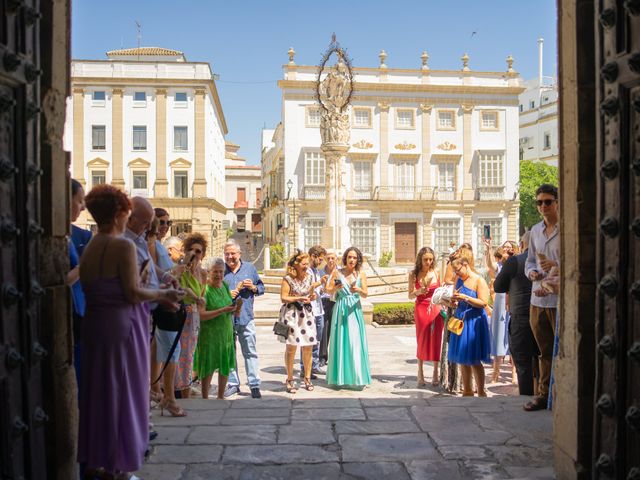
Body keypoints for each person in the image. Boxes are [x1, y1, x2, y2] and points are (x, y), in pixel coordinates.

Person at [78, 185, 183, 479]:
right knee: (124, 392)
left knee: (100, 392)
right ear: (121, 213)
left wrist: (158, 288)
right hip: (123, 327)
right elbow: (133, 292)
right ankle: (117, 467)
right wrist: (165, 296)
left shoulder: (90, 248)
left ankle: (98, 461)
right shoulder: (121, 246)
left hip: (96, 325)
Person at [524, 184, 560, 411]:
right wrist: (532, 273)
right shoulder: (536, 231)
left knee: (562, 350)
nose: (543, 206)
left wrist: (556, 264)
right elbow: (529, 261)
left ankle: (562, 396)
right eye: (539, 202)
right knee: (544, 350)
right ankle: (544, 394)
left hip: (558, 299)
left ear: (557, 202)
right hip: (537, 299)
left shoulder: (566, 228)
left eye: (548, 201)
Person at [494, 231, 538, 396]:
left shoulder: (515, 262)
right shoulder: (546, 260)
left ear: (521, 245)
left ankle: (526, 397)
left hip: (521, 316)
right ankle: (543, 397)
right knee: (544, 360)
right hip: (544, 315)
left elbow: (498, 287)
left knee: (523, 362)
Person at [324, 247, 372, 388]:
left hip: (355, 309)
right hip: (341, 308)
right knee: (341, 341)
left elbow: (365, 294)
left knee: (354, 342)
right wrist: (335, 289)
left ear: (358, 260)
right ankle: (340, 377)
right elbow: (328, 290)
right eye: (350, 257)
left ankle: (356, 377)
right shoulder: (337, 273)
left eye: (355, 258)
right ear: (345, 258)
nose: (352, 260)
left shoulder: (361, 274)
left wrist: (358, 290)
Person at [223, 240, 265, 399]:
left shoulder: (249, 268)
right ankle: (233, 383)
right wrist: (227, 295)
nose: (230, 257)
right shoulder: (221, 271)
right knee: (229, 353)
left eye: (233, 253)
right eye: (227, 253)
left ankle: (254, 384)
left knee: (250, 352)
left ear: (239, 254)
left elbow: (261, 288)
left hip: (246, 318)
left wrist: (253, 288)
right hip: (226, 318)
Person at [448, 256, 492, 397]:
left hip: (474, 321)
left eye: (458, 270)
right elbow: (455, 298)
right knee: (462, 358)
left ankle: (480, 391)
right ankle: (467, 391)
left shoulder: (479, 280)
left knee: (474, 359)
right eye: (454, 271)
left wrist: (465, 298)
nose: (456, 273)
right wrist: (453, 301)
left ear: (465, 264)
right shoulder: (458, 279)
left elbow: (484, 302)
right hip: (460, 319)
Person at [195, 258, 238, 399]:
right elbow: (201, 315)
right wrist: (222, 310)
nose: (219, 275)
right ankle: (205, 397)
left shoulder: (224, 285)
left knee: (224, 364)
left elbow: (230, 309)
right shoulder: (205, 290)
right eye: (215, 272)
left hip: (225, 333)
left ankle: (221, 396)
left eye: (221, 271)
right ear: (208, 272)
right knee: (208, 365)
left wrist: (236, 308)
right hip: (209, 335)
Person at [279, 251, 318, 393]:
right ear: (296, 265)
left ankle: (307, 378)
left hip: (306, 315)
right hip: (292, 315)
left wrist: (311, 297)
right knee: (291, 348)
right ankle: (289, 379)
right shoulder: (288, 279)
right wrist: (298, 299)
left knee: (308, 347)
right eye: (304, 264)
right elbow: (283, 298)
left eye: (307, 264)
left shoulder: (309, 277)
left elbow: (311, 294)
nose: (306, 267)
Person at [174, 232, 207, 399]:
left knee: (189, 353)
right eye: (192, 250)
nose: (195, 254)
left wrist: (199, 300)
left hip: (193, 315)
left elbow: (202, 296)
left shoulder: (203, 273)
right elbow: (180, 288)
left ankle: (185, 386)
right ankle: (177, 388)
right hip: (181, 312)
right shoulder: (182, 268)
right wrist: (196, 298)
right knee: (179, 352)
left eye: (199, 251)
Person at [409, 247, 444, 387]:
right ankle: (420, 371)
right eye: (425, 259)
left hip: (436, 307)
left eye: (430, 259)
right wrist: (419, 291)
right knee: (421, 339)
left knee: (436, 339)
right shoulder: (413, 274)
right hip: (421, 307)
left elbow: (441, 290)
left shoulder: (437, 272)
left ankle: (436, 371)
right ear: (420, 259)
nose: (428, 262)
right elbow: (410, 295)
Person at [68, 179, 90, 387]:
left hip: (80, 312)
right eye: (79, 200)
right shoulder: (66, 237)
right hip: (72, 314)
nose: (82, 207)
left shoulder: (71, 234)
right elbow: (61, 280)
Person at [483, 240, 510, 383]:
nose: (506, 249)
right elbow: (490, 265)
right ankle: (495, 372)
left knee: (513, 337)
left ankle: (514, 374)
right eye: (504, 247)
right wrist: (488, 249)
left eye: (509, 247)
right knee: (499, 336)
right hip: (500, 303)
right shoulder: (499, 266)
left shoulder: (518, 265)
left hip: (513, 302)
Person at [299, 245, 327, 378]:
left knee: (317, 339)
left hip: (318, 309)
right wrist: (318, 284)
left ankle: (313, 365)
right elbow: (303, 288)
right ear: (313, 256)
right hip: (309, 311)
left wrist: (322, 288)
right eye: (320, 259)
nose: (321, 262)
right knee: (307, 339)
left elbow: (317, 290)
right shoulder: (305, 270)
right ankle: (304, 368)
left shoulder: (316, 271)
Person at [319, 249, 338, 366]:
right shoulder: (321, 272)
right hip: (325, 301)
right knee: (324, 329)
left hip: (336, 301)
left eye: (333, 258)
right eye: (328, 258)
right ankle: (322, 356)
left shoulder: (340, 271)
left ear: (337, 259)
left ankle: (336, 356)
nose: (330, 260)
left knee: (337, 329)